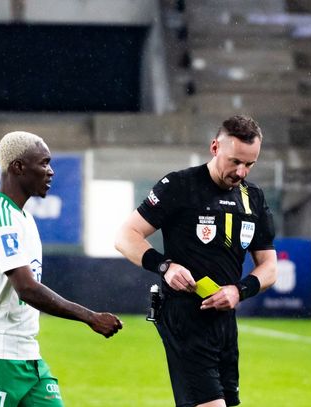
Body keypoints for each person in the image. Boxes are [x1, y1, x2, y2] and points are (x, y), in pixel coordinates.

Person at [115, 115, 277, 407]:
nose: (241, 172)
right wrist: (165, 267)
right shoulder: (179, 185)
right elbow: (125, 236)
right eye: (235, 161)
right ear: (215, 147)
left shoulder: (252, 197)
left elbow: (270, 266)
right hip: (183, 316)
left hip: (224, 320)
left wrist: (239, 291)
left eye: (250, 164)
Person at [0, 131, 123, 406]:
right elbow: (26, 288)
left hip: (27, 355)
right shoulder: (0, 217)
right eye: (44, 163)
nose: (51, 171)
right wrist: (90, 317)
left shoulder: (23, 217)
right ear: (18, 167)